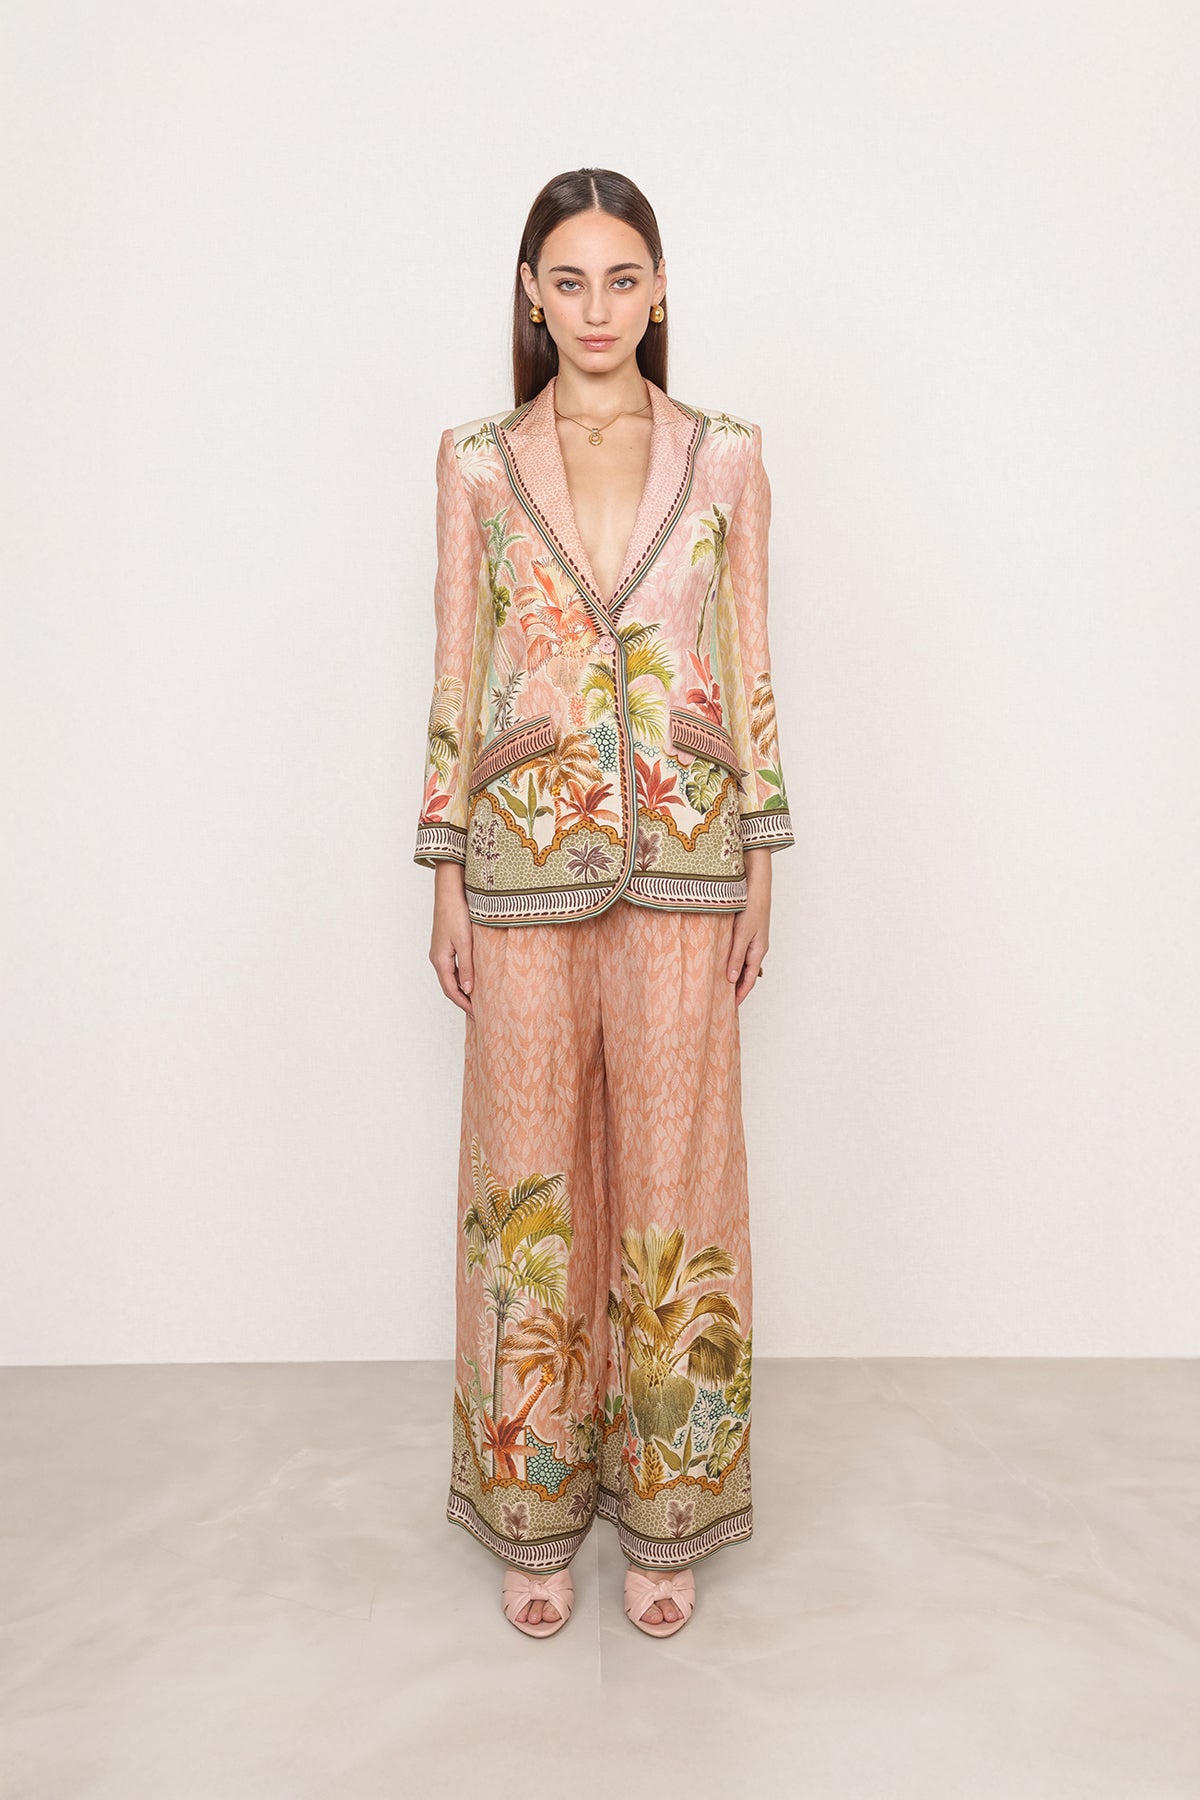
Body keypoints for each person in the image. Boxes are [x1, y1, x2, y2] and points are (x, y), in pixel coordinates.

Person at [414, 167, 796, 1639]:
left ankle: (669, 1509)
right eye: (567, 281)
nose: (595, 308)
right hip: (517, 861)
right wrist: (444, 868)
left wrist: (763, 854)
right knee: (526, 1192)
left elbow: (751, 663)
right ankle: (531, 1509)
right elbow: (456, 669)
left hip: (691, 859)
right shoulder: (474, 464)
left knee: (676, 1178)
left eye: (621, 278)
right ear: (531, 292)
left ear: (659, 287)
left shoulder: (726, 457)